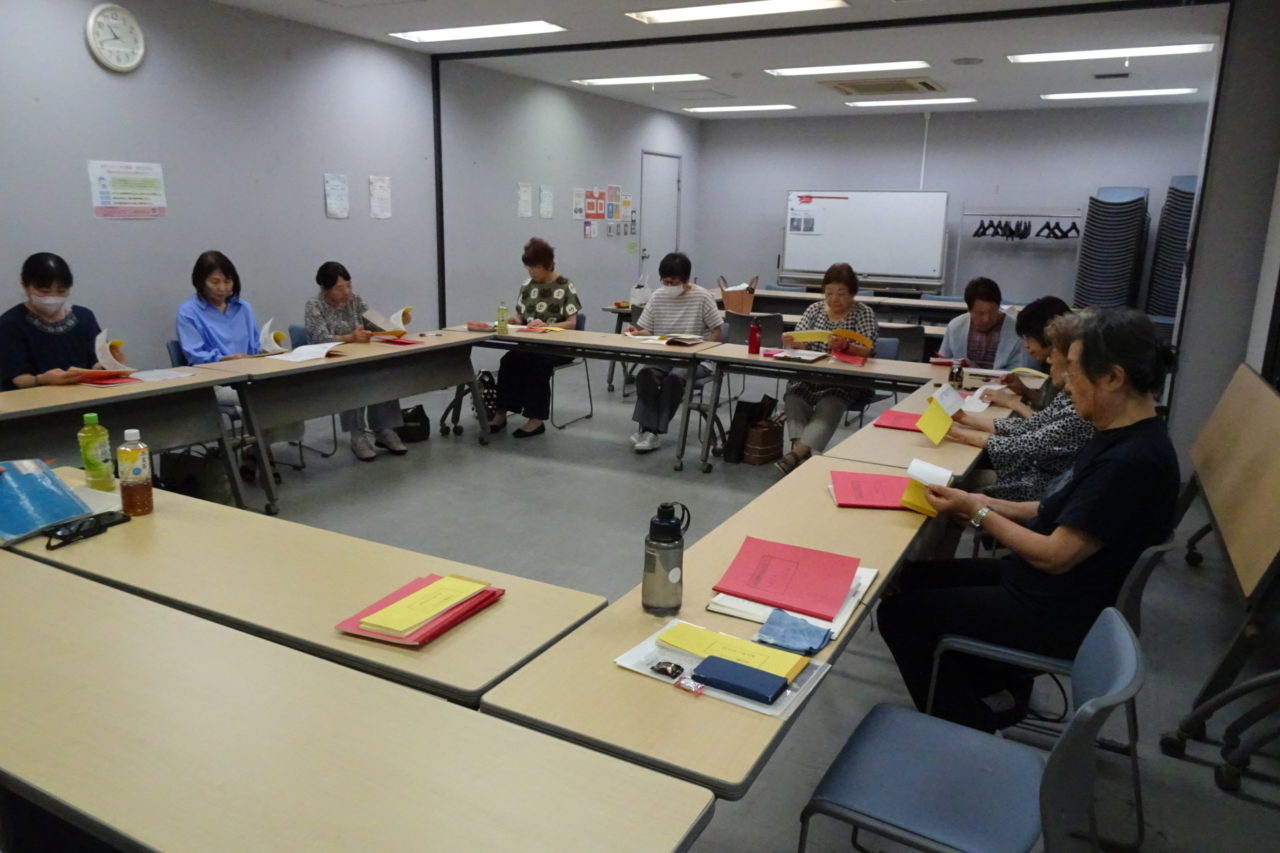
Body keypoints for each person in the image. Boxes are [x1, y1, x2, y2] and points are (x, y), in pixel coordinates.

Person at [878, 307, 1178, 733]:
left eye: (1074, 372)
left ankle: (970, 728)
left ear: (1113, 378)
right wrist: (977, 499)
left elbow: (1054, 555)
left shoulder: (1129, 462)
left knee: (899, 616)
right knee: (910, 579)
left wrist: (976, 510)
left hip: (1059, 610)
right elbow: (1049, 509)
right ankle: (995, 688)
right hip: (1048, 585)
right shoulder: (1118, 435)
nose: (1065, 384)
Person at [176, 250, 302, 482]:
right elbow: (195, 355)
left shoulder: (243, 307)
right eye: (215, 282)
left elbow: (254, 346)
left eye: (227, 281)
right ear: (200, 282)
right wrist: (226, 359)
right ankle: (265, 456)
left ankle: (254, 452)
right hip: (215, 381)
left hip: (249, 375)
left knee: (285, 393)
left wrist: (267, 350)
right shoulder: (188, 312)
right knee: (260, 399)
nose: (222, 288)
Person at [945, 309, 1093, 502]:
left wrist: (955, 432)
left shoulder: (1080, 412)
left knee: (950, 492)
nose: (1049, 358)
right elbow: (1031, 426)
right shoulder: (1068, 396)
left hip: (1033, 489)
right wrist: (964, 419)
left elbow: (1022, 444)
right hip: (1026, 478)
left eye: (1055, 351)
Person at [775, 263, 879, 475]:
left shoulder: (863, 313)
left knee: (830, 402)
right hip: (811, 375)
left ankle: (795, 455)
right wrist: (792, 342)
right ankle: (802, 456)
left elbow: (867, 349)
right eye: (829, 293)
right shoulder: (814, 310)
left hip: (846, 379)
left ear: (852, 293)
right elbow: (801, 340)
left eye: (841, 294)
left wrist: (846, 346)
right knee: (794, 395)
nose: (834, 299)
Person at [304, 261, 408, 461]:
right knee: (353, 377)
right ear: (324, 288)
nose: (347, 293)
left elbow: (378, 323)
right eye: (339, 288)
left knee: (384, 370)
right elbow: (318, 339)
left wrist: (396, 324)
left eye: (349, 286)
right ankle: (357, 435)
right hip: (331, 364)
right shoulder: (314, 306)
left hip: (359, 358)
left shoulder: (355, 300)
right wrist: (349, 338)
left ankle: (384, 429)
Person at [624, 252, 723, 453]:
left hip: (696, 360)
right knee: (645, 375)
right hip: (665, 356)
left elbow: (716, 331)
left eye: (674, 282)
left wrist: (701, 351)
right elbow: (649, 330)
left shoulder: (702, 296)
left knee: (674, 379)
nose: (669, 286)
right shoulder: (658, 296)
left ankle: (652, 432)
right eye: (665, 282)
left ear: (686, 279)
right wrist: (637, 333)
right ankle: (649, 431)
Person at [488, 238, 582, 438]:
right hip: (531, 343)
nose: (531, 272)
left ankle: (536, 420)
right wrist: (516, 320)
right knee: (509, 361)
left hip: (558, 347)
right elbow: (523, 317)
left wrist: (547, 326)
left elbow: (572, 323)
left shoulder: (565, 286)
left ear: (548, 265)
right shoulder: (527, 286)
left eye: (535, 267)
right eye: (528, 267)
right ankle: (501, 412)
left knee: (538, 364)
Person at [1, 253, 104, 391]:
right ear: (25, 286)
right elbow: (18, 378)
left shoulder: (84, 317)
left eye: (61, 291)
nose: (52, 298)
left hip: (85, 395)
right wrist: (42, 379)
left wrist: (108, 363)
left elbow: (96, 362)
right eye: (44, 292)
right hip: (33, 399)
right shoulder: (10, 323)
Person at [983, 295, 1073, 415]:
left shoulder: (1069, 373)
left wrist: (1011, 402)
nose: (1026, 345)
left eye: (1029, 338)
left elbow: (1047, 424)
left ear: (1047, 335)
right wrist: (1025, 391)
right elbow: (1048, 406)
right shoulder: (1053, 365)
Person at [937, 277, 1034, 370]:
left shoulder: (1016, 330)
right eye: (980, 313)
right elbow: (943, 362)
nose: (986, 319)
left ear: (999, 306)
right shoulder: (955, 326)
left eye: (992, 312)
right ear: (969, 309)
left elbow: (1022, 369)